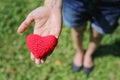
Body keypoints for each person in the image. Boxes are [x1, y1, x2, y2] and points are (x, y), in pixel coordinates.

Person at [17, 0, 120, 76]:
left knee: (98, 32)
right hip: (75, 2)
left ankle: (88, 54)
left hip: (111, 5)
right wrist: (52, 5)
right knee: (77, 29)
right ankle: (80, 52)